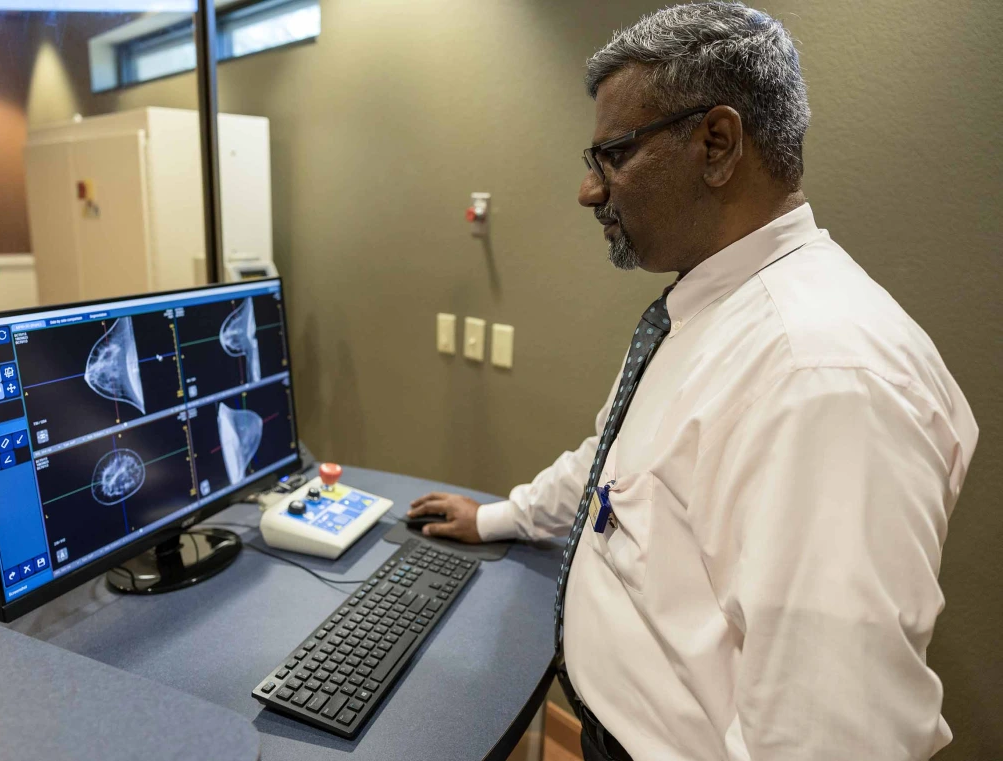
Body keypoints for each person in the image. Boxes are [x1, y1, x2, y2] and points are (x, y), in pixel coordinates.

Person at [408, 3, 978, 760]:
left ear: (716, 143)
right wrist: (497, 518)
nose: (589, 190)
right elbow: (611, 467)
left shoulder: (823, 379)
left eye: (611, 154)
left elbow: (830, 738)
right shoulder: (704, 309)